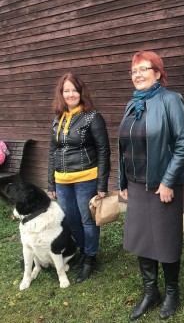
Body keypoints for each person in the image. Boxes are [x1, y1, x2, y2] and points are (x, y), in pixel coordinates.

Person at [118, 50, 184, 320]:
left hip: (163, 185)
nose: (138, 75)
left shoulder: (171, 100)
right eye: (134, 71)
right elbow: (124, 147)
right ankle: (151, 292)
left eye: (144, 69)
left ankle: (172, 292)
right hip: (137, 185)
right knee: (141, 240)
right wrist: (122, 181)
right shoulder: (132, 104)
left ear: (158, 73)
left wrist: (169, 180)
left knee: (166, 239)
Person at [48, 73, 110, 283]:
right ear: (61, 94)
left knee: (88, 220)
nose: (71, 94)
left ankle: (91, 258)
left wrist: (102, 183)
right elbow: (52, 151)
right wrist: (51, 183)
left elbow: (103, 150)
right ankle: (85, 251)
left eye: (74, 90)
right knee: (72, 220)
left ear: (81, 92)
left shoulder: (92, 116)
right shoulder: (58, 118)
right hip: (62, 180)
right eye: (66, 90)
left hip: (86, 177)